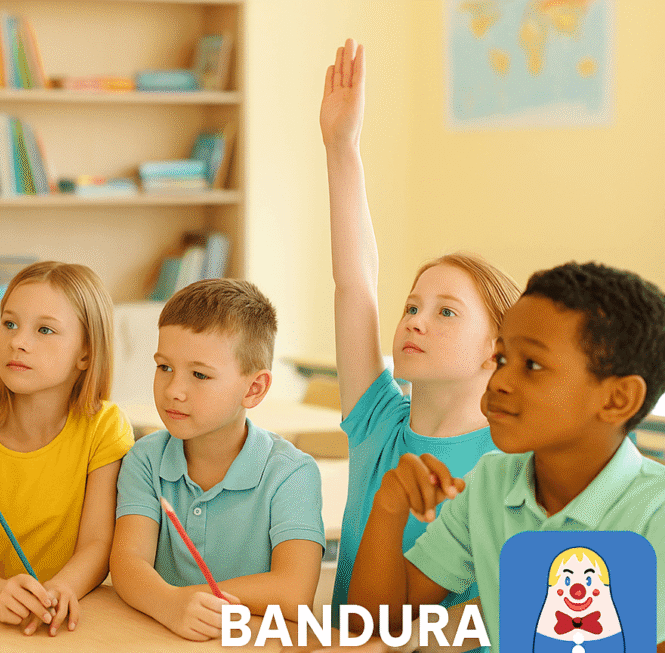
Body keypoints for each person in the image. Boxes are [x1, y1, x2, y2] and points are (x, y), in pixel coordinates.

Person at [349, 261, 665, 652]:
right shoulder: (492, 482)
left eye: (532, 365)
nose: (499, 382)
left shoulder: (655, 516)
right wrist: (389, 507)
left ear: (618, 399)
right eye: (502, 359)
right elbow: (377, 624)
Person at [319, 38, 520, 616]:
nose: (416, 322)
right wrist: (341, 146)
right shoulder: (378, 423)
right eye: (411, 307)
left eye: (445, 312)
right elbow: (356, 283)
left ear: (495, 351)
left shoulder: (509, 461)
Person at [109, 278, 325, 642]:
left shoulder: (292, 474)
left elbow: (293, 593)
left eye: (199, 374)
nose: (173, 390)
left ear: (253, 388)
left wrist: (180, 600)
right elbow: (127, 564)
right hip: (160, 639)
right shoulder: (144, 458)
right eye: (164, 367)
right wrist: (170, 605)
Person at [0, 261, 134, 637]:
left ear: (86, 354)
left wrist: (62, 588)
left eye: (44, 329)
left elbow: (98, 542)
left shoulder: (105, 427)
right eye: (9, 324)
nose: (18, 341)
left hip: (72, 623)